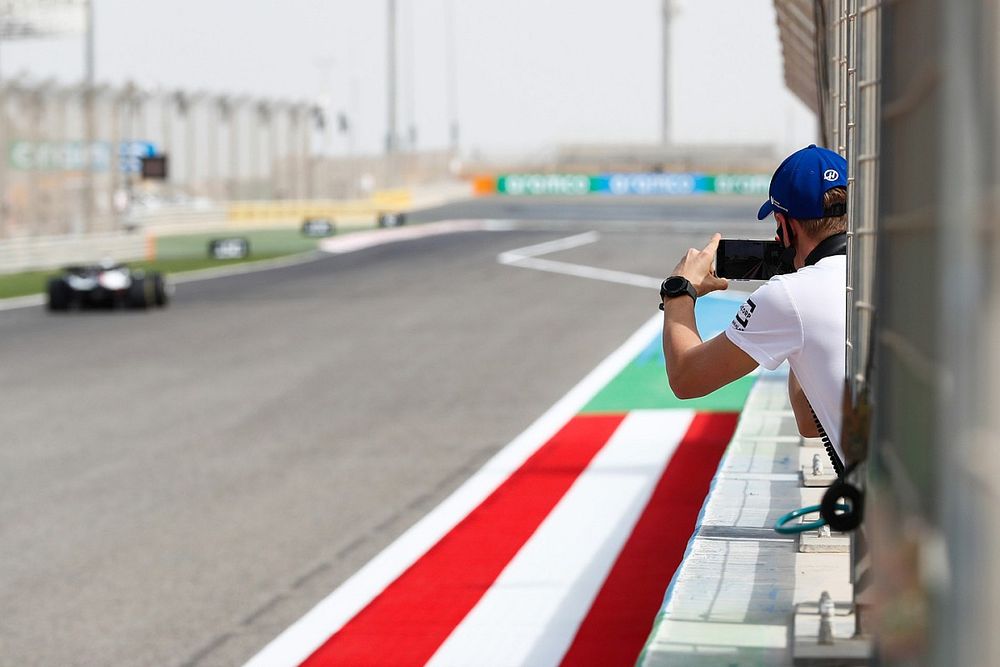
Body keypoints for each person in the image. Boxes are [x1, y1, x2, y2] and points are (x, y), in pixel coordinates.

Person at [658, 145, 849, 464]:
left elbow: (686, 378)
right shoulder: (892, 271)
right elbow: (809, 420)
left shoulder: (790, 295)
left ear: (785, 226)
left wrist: (679, 290)